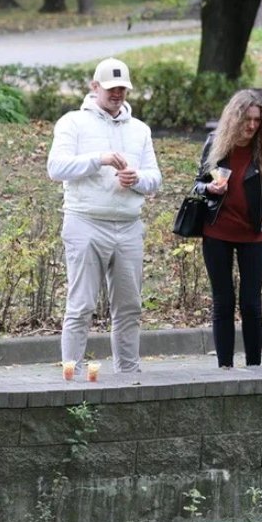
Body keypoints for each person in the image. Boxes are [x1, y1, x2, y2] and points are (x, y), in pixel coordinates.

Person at [47, 57, 162, 374]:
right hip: (85, 222)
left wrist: (136, 179)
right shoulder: (72, 123)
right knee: (81, 305)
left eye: (122, 88)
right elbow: (56, 168)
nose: (117, 94)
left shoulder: (140, 130)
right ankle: (73, 374)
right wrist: (99, 159)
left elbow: (155, 178)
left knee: (129, 306)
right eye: (111, 88)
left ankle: (128, 371)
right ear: (94, 87)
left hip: (128, 226)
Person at [193, 89, 262, 368]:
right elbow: (197, 184)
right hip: (217, 232)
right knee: (223, 301)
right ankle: (224, 367)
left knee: (250, 303)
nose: (252, 126)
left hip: (254, 234)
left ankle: (254, 367)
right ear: (234, 118)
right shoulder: (215, 144)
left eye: (257, 120)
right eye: (246, 119)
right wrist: (209, 187)